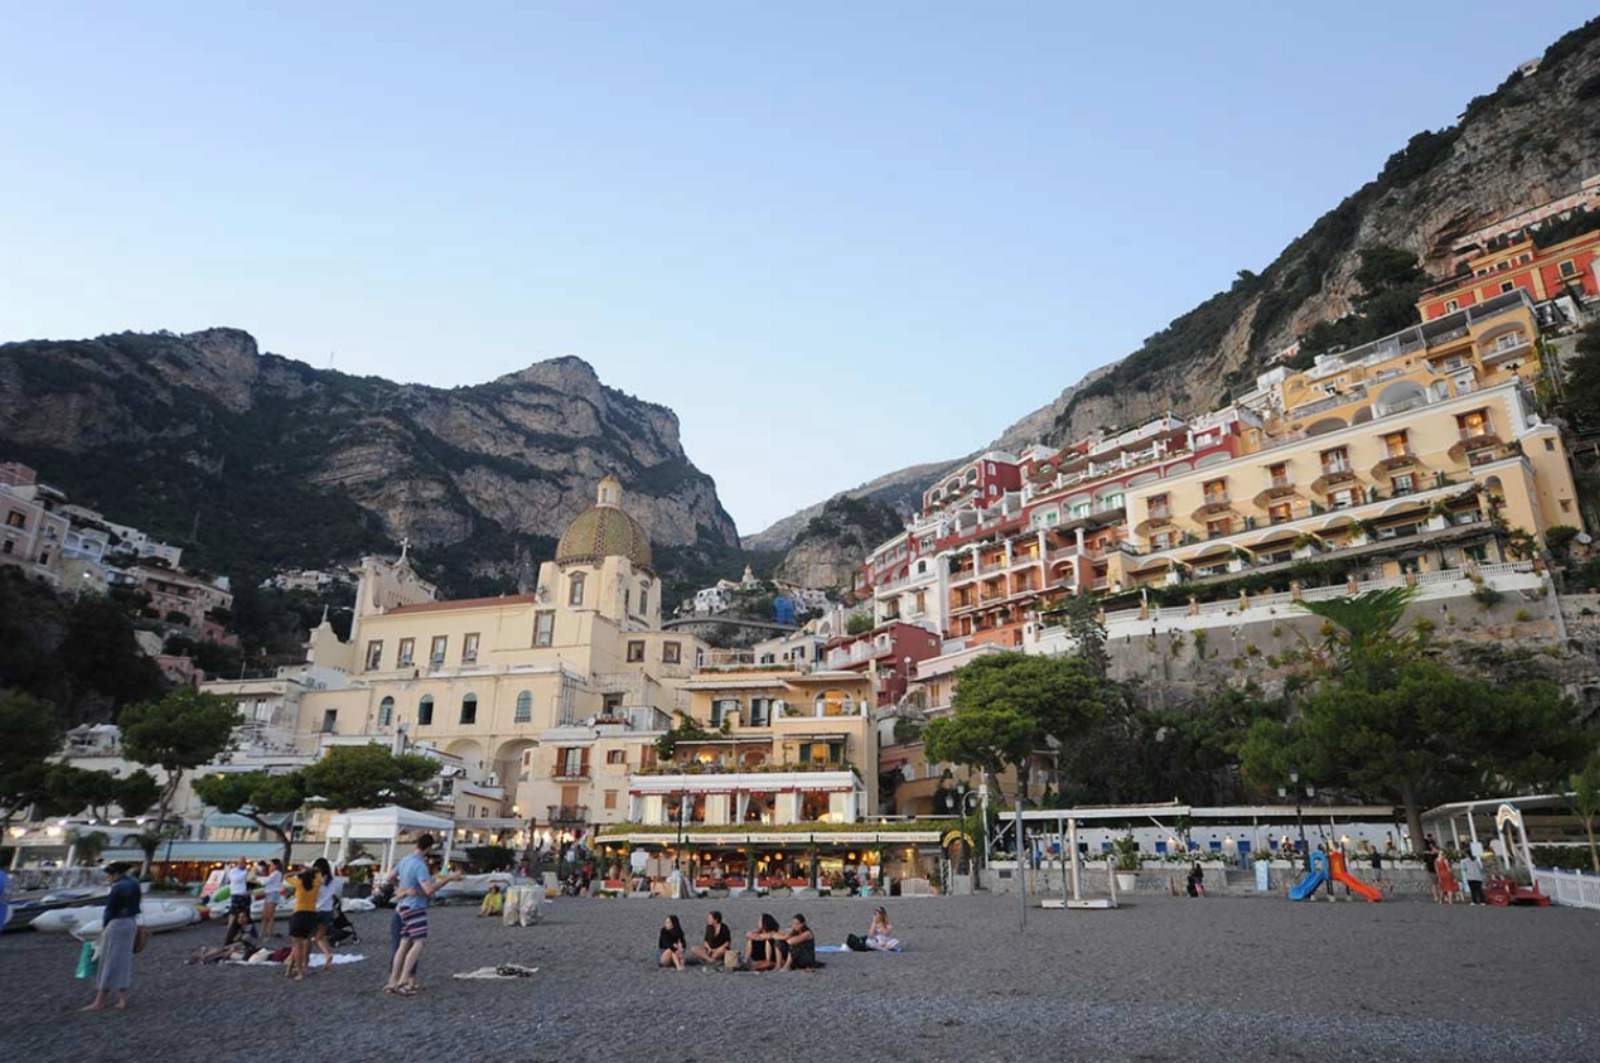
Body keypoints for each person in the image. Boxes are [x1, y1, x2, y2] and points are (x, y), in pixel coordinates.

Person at [385, 833, 461, 997]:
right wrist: (449, 878)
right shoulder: (420, 865)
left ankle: (393, 981)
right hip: (415, 907)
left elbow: (389, 877)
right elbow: (429, 891)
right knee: (418, 943)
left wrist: (401, 889)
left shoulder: (405, 860)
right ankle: (404, 981)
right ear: (428, 848)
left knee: (404, 944)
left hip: (403, 906)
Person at [81, 862, 140, 1011]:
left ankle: (99, 1001)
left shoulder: (118, 887)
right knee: (122, 960)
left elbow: (110, 910)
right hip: (130, 923)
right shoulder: (134, 884)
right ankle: (122, 999)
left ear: (116, 874)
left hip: (117, 924)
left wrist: (104, 927)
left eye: (109, 874)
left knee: (108, 961)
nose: (108, 878)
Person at [283, 865, 322, 981]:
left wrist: (298, 871)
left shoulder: (298, 883)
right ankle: (297, 968)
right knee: (306, 941)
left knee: (297, 946)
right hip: (311, 915)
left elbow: (285, 876)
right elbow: (318, 873)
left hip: (298, 914)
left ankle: (299, 972)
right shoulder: (316, 884)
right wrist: (309, 869)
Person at [311, 857, 338, 970]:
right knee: (320, 936)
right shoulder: (333, 880)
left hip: (316, 910)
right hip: (328, 910)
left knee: (309, 937)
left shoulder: (316, 880)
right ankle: (328, 954)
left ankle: (297, 960)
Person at [221, 856, 254, 940]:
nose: (244, 864)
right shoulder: (234, 871)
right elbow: (236, 879)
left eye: (245, 863)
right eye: (242, 862)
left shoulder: (246, 872)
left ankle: (243, 932)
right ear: (238, 863)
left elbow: (251, 882)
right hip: (236, 895)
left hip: (245, 895)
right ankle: (230, 931)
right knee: (234, 913)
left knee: (245, 915)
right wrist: (246, 873)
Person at [258, 859, 284, 939]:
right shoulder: (273, 873)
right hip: (269, 893)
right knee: (265, 915)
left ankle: (268, 933)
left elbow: (266, 882)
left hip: (273, 894)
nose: (270, 866)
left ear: (275, 865)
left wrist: (257, 878)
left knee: (269, 915)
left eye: (271, 865)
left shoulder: (277, 873)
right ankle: (263, 932)